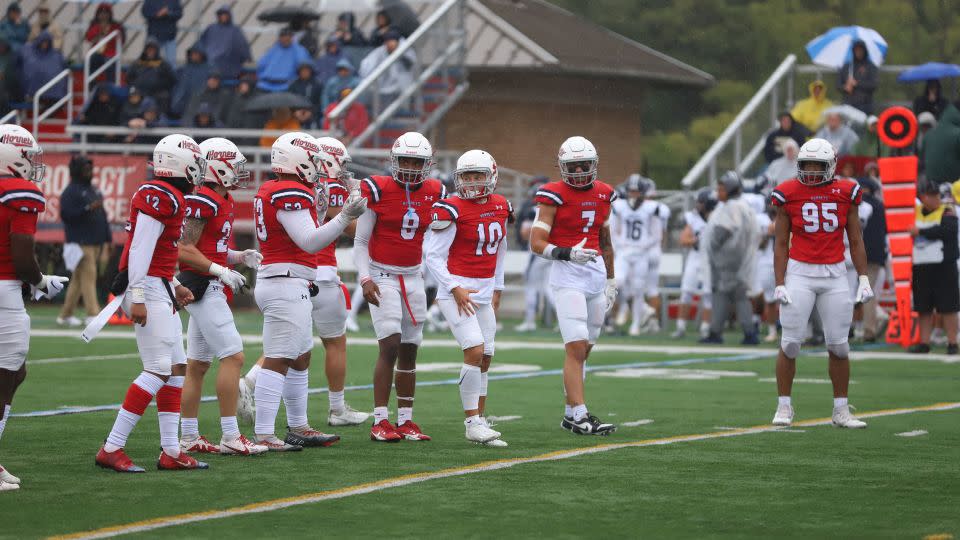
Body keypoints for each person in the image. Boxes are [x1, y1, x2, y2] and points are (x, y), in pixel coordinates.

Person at [93, 134, 207, 472]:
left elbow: (155, 253)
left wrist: (173, 283)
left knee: (176, 369)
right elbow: (139, 250)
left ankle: (171, 450)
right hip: (146, 287)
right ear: (180, 164)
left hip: (158, 285)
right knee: (157, 369)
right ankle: (112, 447)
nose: (198, 170)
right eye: (195, 162)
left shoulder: (171, 195)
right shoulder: (160, 194)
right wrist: (139, 295)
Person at [250, 133, 366, 451]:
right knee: (279, 359)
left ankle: (299, 426)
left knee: (300, 357)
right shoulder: (289, 189)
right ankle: (263, 433)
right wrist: (345, 216)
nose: (317, 166)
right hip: (284, 280)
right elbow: (310, 241)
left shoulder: (275, 187)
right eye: (313, 159)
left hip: (291, 279)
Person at [769, 137, 871, 428]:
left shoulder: (847, 191)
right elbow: (780, 244)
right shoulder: (787, 192)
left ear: (831, 166)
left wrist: (863, 276)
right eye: (807, 165)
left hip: (835, 274)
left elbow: (855, 238)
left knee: (839, 346)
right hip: (800, 273)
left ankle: (841, 410)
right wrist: (779, 281)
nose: (812, 171)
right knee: (790, 344)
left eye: (818, 165)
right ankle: (784, 406)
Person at [173, 137, 266, 456]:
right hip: (202, 286)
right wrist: (218, 270)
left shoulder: (220, 199)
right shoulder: (205, 200)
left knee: (197, 366)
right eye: (234, 165)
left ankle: (188, 436)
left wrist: (238, 257)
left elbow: (211, 248)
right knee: (234, 356)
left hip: (208, 282)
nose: (240, 172)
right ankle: (230, 435)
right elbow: (184, 250)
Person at [355, 132, 446, 442]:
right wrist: (365, 278)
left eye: (415, 161)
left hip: (413, 276)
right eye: (404, 160)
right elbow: (361, 240)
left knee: (410, 350)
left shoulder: (436, 190)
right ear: (393, 161)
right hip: (382, 274)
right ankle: (380, 420)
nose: (409, 166)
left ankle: (406, 420)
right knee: (390, 344)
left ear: (427, 164)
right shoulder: (378, 189)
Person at [529, 136, 617, 435]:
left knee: (586, 347)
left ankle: (569, 413)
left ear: (594, 165)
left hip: (594, 274)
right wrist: (567, 252)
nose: (579, 171)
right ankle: (580, 415)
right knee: (576, 346)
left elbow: (605, 241)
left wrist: (611, 278)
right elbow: (536, 243)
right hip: (567, 274)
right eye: (573, 166)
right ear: (561, 167)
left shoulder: (605, 194)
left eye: (584, 165)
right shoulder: (552, 195)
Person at [424, 150, 510, 446]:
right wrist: (453, 287)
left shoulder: (501, 205)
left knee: (486, 357)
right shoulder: (451, 208)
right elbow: (432, 256)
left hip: (484, 291)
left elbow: (500, 249)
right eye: (467, 176)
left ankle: (480, 423)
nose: (472, 182)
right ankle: (472, 422)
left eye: (478, 176)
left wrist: (498, 289)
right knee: (474, 350)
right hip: (456, 291)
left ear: (492, 176)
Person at [0, 125, 68, 491]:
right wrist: (41, 282)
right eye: (28, 157)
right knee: (6, 374)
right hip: (3, 290)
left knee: (17, 372)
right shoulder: (19, 193)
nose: (33, 165)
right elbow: (22, 257)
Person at [699, 171, 759, 345]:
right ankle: (722, 331)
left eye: (722, 189)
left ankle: (739, 333)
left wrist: (714, 247)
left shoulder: (733, 206)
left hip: (728, 260)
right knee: (730, 296)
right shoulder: (743, 205)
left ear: (731, 190)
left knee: (729, 295)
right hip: (738, 260)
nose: (718, 192)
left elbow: (725, 230)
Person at [57, 155, 110, 326]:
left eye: (90, 168)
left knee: (79, 279)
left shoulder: (93, 190)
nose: (89, 171)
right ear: (77, 170)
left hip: (95, 242)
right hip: (80, 242)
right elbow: (67, 216)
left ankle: (65, 315)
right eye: (85, 168)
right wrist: (87, 208)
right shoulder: (70, 191)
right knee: (89, 276)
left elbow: (103, 216)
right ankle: (93, 314)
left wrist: (108, 239)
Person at [908, 179, 959, 354]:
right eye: (930, 195)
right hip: (921, 266)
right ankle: (924, 343)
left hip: (943, 266)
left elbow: (948, 231)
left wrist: (921, 232)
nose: (935, 198)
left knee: (948, 307)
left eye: (936, 194)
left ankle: (952, 343)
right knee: (923, 307)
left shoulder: (947, 211)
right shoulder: (914, 212)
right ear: (922, 197)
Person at [610, 175, 661, 335]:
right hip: (624, 252)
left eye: (637, 192)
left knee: (639, 289)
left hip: (642, 254)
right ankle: (615, 315)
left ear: (643, 192)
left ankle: (636, 324)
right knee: (617, 282)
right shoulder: (620, 206)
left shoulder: (651, 208)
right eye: (631, 191)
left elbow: (657, 234)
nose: (634, 195)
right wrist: (620, 245)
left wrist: (642, 246)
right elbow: (613, 230)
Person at [673, 187, 717, 339]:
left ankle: (705, 328)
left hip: (710, 259)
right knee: (686, 292)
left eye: (701, 202)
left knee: (707, 294)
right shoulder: (693, 218)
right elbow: (683, 240)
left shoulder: (718, 217)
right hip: (695, 256)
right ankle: (680, 327)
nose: (698, 205)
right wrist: (696, 240)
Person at [514, 177, 551, 332]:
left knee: (531, 286)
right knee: (550, 288)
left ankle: (530, 321)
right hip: (551, 252)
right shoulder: (552, 210)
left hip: (537, 252)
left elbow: (524, 233)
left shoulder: (532, 211)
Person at [857, 176, 887, 342]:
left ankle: (870, 329)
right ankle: (876, 320)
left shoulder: (861, 205)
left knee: (865, 292)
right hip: (877, 254)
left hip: (862, 253)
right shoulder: (880, 205)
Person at [358, 30, 416, 108]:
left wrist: (399, 55)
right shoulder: (380, 51)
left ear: (398, 42)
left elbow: (411, 64)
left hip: (400, 88)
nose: (390, 43)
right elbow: (366, 66)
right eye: (388, 41)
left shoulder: (406, 51)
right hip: (383, 88)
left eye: (392, 41)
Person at [197, 6, 250, 80]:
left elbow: (242, 47)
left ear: (229, 16)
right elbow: (201, 43)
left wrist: (246, 58)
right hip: (209, 63)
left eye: (225, 14)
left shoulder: (235, 30)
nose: (223, 17)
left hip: (228, 63)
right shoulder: (211, 28)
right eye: (221, 14)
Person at [126, 39, 176, 113]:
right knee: (133, 96)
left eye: (153, 50)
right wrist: (137, 84)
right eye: (149, 49)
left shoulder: (163, 64)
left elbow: (172, 79)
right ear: (145, 50)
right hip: (141, 92)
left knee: (164, 96)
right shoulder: (137, 63)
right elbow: (129, 77)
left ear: (157, 51)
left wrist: (159, 84)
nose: (150, 52)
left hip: (158, 92)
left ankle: (161, 118)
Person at [256, 28, 310, 93]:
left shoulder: (299, 51)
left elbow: (304, 67)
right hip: (265, 85)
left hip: (287, 86)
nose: (285, 40)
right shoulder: (273, 49)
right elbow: (261, 65)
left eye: (288, 37)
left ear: (292, 38)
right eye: (283, 37)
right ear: (279, 38)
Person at [17, 31, 65, 100]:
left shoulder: (56, 55)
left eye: (47, 42)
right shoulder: (27, 51)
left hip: (53, 95)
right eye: (43, 42)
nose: (44, 44)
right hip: (33, 93)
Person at [837, 40, 878, 115]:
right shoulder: (847, 67)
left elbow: (873, 85)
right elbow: (838, 85)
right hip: (848, 105)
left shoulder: (870, 66)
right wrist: (845, 87)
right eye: (856, 50)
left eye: (860, 50)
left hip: (865, 106)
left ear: (864, 51)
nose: (858, 52)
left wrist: (857, 84)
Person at [923, 103, 960, 184]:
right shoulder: (957, 134)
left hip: (931, 186)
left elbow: (921, 159)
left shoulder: (928, 134)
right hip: (954, 185)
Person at [170, 46, 210, 119]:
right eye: (192, 54)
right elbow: (177, 89)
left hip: (202, 104)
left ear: (201, 55)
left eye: (196, 54)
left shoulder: (209, 70)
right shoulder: (182, 70)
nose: (194, 56)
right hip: (183, 106)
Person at [141, 0, 182, 65]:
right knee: (149, 61)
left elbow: (179, 13)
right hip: (154, 35)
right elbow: (144, 12)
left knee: (171, 62)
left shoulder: (175, 1)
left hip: (170, 36)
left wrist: (169, 13)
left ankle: (170, 75)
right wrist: (157, 14)